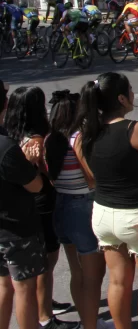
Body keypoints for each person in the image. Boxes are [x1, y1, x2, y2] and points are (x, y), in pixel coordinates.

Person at [75, 73, 138, 329]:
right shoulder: (135, 129)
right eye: (131, 90)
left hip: (103, 214)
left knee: (117, 281)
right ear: (121, 98)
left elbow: (92, 178)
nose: (134, 94)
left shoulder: (85, 135)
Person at [5, 87, 79, 329]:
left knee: (29, 272)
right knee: (45, 265)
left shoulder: (9, 134)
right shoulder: (37, 139)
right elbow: (43, 180)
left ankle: (44, 304)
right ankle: (46, 317)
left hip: (16, 210)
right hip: (42, 206)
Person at [45, 90, 110, 329]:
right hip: (82, 206)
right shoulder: (77, 138)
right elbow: (91, 178)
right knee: (92, 275)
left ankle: (87, 321)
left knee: (77, 271)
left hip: (61, 205)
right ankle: (91, 324)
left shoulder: (50, 140)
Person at [0, 80, 47, 329]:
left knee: (4, 285)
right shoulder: (7, 148)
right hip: (17, 229)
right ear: (4, 104)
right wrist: (30, 164)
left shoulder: (8, 140)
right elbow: (36, 185)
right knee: (24, 288)